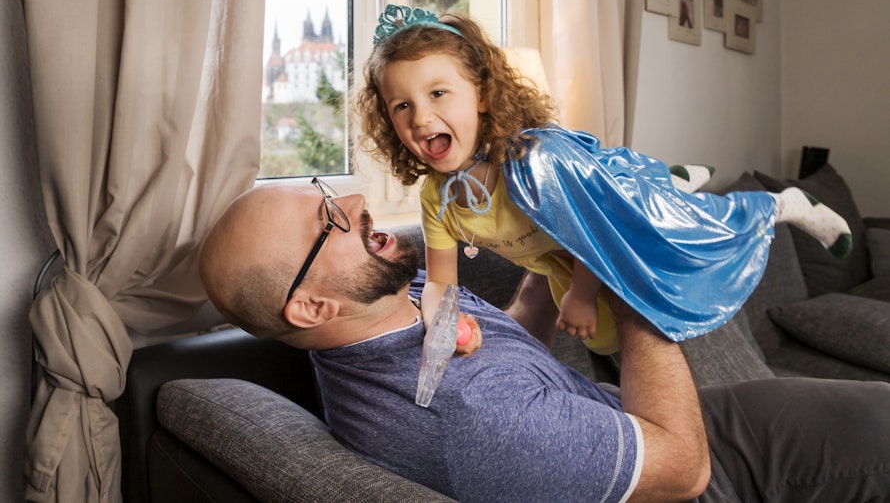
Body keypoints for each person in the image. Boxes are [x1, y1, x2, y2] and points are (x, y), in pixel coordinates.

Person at [198, 182, 890, 502]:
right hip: (677, 467)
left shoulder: (380, 306)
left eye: (323, 188)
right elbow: (683, 472)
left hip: (624, 426)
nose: (352, 198)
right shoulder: (469, 420)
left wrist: (545, 276)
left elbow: (507, 349)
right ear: (311, 305)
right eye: (327, 218)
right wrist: (628, 273)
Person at [355, 4, 851, 354]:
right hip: (568, 258)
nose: (421, 117)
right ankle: (666, 179)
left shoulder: (535, 163)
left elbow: (597, 234)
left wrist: (583, 294)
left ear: (482, 95)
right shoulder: (438, 199)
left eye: (439, 93)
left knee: (685, 227)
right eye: (403, 105)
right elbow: (442, 282)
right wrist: (437, 329)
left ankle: (779, 204)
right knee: (608, 337)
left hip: (603, 242)